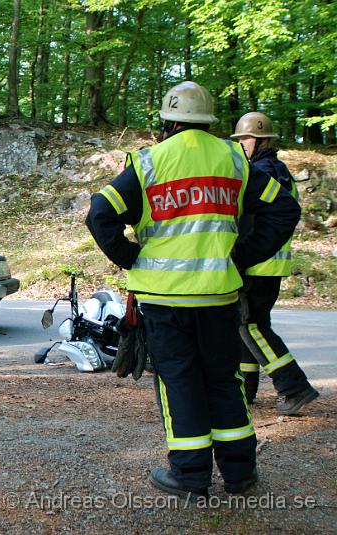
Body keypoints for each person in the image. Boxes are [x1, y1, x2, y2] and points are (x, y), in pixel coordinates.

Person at [86, 81, 300, 498]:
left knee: (178, 382)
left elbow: (100, 212)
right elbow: (284, 209)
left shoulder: (150, 162)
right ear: (207, 120)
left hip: (165, 300)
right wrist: (241, 256)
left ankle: (190, 476)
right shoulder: (234, 160)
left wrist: (130, 258)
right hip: (219, 295)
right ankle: (240, 475)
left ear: (167, 121)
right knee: (224, 379)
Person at [231, 112, 319, 415]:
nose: (241, 144)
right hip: (268, 266)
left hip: (256, 267)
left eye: (246, 138)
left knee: (252, 326)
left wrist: (239, 257)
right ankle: (246, 390)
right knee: (245, 328)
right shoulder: (278, 169)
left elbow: (249, 222)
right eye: (239, 139)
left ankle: (294, 387)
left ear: (262, 139)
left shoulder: (261, 171)